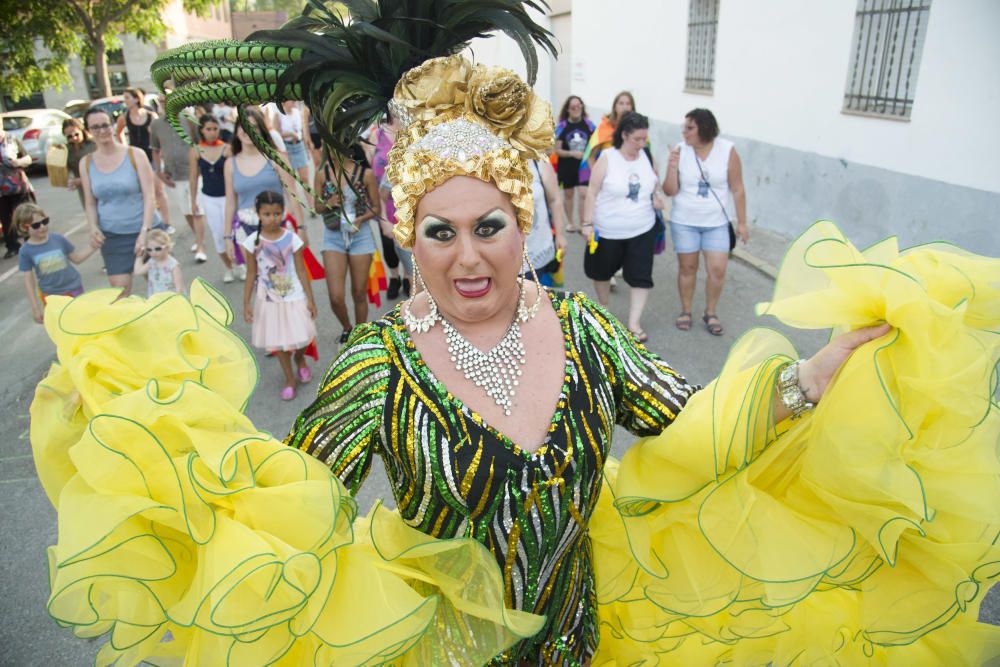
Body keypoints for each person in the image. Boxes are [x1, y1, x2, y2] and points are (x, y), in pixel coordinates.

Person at [31, 5, 1000, 665]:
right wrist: (141, 432)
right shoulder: (379, 362)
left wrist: (814, 375)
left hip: (584, 639)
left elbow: (695, 430)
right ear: (407, 234)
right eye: (438, 230)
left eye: (488, 225)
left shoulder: (583, 331)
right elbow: (283, 509)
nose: (465, 257)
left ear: (523, 224)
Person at [662, 108, 748, 336]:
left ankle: (710, 312)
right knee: (688, 267)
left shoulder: (727, 150)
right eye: (684, 127)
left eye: (690, 128)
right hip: (684, 220)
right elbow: (669, 191)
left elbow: (737, 188)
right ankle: (686, 310)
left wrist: (742, 223)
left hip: (717, 222)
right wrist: (671, 167)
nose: (684, 132)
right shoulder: (680, 151)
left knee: (717, 270)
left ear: (705, 129)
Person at [582, 112, 662, 342]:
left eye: (644, 139)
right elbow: (592, 192)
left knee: (640, 276)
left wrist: (657, 197)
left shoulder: (646, 155)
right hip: (608, 231)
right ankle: (604, 309)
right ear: (624, 135)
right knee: (601, 272)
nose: (641, 144)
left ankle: (634, 322)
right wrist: (587, 224)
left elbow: (655, 184)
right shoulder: (607, 157)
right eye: (637, 139)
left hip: (642, 229)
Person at [242, 190, 317, 400]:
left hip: (294, 296)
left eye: (276, 213)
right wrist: (246, 302)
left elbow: (302, 270)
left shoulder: (292, 238)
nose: (272, 218)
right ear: (258, 214)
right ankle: (289, 378)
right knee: (278, 341)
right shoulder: (252, 242)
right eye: (266, 214)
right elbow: (251, 273)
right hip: (268, 299)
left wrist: (310, 299)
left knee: (302, 337)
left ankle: (300, 359)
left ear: (283, 212)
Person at [222, 106, 306, 282]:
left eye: (253, 126)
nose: (248, 131)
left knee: (285, 282)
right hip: (246, 230)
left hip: (279, 226)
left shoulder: (277, 158)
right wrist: (227, 237)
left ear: (261, 130)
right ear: (237, 131)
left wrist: (301, 228)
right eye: (243, 126)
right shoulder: (230, 164)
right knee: (260, 283)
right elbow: (230, 202)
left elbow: (292, 195)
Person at [80, 108, 155, 297]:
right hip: (113, 234)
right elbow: (90, 202)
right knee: (119, 293)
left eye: (105, 125)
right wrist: (93, 227)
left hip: (145, 229)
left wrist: (144, 232)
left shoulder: (135, 155)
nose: (102, 131)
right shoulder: (86, 163)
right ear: (88, 131)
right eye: (95, 127)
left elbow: (149, 196)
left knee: (160, 285)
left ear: (113, 126)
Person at [313, 143, 380, 343]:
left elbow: (376, 208)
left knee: (359, 292)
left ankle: (360, 336)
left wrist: (359, 220)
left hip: (361, 235)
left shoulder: (364, 174)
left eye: (333, 145)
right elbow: (316, 207)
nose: (330, 150)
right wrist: (328, 202)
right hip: (333, 237)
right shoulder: (322, 174)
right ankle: (347, 328)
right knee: (336, 296)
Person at [15, 202, 96, 322]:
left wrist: (93, 247)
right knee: (62, 325)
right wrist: (35, 307)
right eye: (36, 225)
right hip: (51, 296)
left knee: (81, 321)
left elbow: (77, 259)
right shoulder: (26, 251)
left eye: (45, 221)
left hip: (75, 288)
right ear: (24, 227)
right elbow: (28, 280)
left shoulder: (58, 239)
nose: (42, 227)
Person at [150, 112, 207, 262]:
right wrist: (159, 171)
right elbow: (155, 149)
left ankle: (201, 247)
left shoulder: (189, 120)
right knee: (186, 211)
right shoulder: (156, 124)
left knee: (196, 210)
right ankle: (198, 237)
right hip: (174, 174)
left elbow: (201, 142)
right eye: (162, 100)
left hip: (195, 172)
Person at [116, 87, 172, 234]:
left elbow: (159, 136)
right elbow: (118, 133)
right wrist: (124, 148)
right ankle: (151, 222)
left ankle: (166, 223)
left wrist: (161, 151)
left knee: (158, 190)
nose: (125, 101)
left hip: (152, 155)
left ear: (136, 98)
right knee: (143, 191)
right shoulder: (124, 117)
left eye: (127, 97)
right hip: (136, 158)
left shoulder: (150, 115)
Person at [364, 111, 407, 299]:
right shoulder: (377, 135)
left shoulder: (413, 131)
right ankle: (394, 277)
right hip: (384, 203)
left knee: (410, 246)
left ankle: (408, 277)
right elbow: (371, 177)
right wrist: (380, 215)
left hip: (408, 205)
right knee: (388, 244)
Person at [189, 114, 233, 278]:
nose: (212, 132)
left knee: (233, 233)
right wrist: (193, 201)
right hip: (209, 198)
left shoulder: (226, 148)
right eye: (208, 129)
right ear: (201, 130)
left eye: (215, 129)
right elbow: (193, 177)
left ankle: (239, 263)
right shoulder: (195, 150)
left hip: (228, 197)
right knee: (218, 234)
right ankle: (229, 266)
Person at [553, 95, 595, 232]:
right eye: (573, 107)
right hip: (567, 165)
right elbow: (557, 150)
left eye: (579, 106)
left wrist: (590, 157)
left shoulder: (589, 125)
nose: (576, 109)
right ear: (568, 109)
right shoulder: (562, 126)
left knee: (584, 193)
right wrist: (572, 154)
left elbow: (595, 145)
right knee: (569, 194)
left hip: (584, 165)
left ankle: (584, 223)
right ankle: (571, 222)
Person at [523, 158, 567, 285]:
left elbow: (555, 200)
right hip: (503, 253)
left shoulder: (538, 161)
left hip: (537, 249)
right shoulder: (488, 162)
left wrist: (560, 235)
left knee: (535, 296)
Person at [0, 123, 34, 259]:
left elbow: (28, 158)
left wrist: (18, 162)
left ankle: (30, 241)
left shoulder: (11, 139)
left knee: (23, 214)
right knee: (5, 218)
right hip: (1, 191)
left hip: (18, 185)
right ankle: (12, 246)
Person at [582, 90, 635, 170]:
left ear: (632, 107)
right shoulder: (604, 127)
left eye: (628, 104)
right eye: (621, 103)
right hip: (607, 174)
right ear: (615, 107)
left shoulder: (637, 128)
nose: (625, 107)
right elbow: (591, 157)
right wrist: (597, 176)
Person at [270, 100, 311, 192]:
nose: (294, 102)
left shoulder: (297, 112)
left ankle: (311, 205)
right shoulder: (278, 115)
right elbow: (275, 135)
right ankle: (295, 204)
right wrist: (289, 134)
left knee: (305, 178)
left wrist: (306, 149)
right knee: (290, 180)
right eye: (291, 100)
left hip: (299, 146)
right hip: (287, 148)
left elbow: (301, 131)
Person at [133, 228, 184, 297]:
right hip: (155, 298)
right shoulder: (152, 262)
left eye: (158, 249)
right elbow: (138, 271)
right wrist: (139, 256)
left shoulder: (173, 265)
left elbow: (179, 287)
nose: (153, 252)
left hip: (170, 298)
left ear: (167, 247)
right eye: (149, 250)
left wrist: (175, 300)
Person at [61, 118, 97, 209]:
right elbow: (64, 171)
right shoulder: (67, 150)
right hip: (83, 189)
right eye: (69, 136)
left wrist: (81, 180)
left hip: (97, 184)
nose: (74, 138)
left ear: (82, 130)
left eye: (76, 134)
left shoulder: (93, 145)